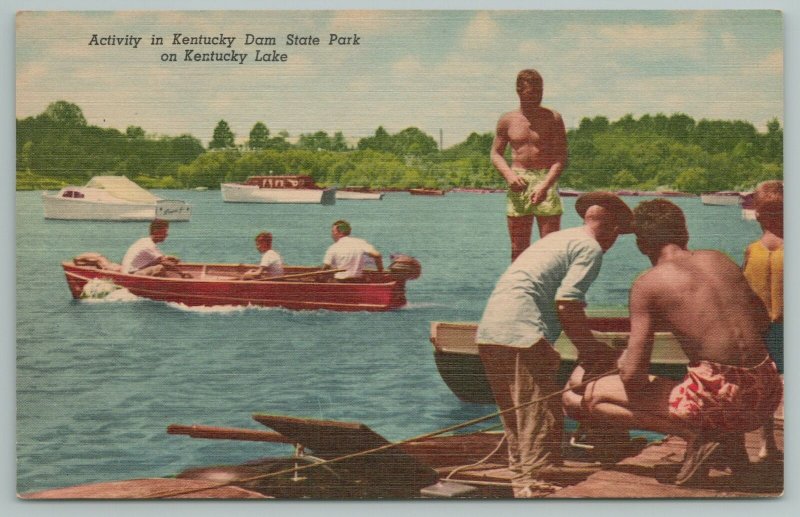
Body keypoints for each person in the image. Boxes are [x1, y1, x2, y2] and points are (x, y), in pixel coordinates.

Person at [562, 199, 783, 486]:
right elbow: (762, 320)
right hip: (765, 392)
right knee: (711, 378)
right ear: (685, 234)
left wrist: (623, 358)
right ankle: (727, 443)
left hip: (722, 400)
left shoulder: (648, 284)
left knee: (576, 395)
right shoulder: (720, 260)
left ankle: (698, 436)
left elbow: (633, 377)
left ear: (642, 245)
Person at [476, 192, 632, 497]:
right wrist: (590, 350)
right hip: (523, 332)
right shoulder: (590, 248)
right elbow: (567, 303)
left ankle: (521, 479)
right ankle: (534, 486)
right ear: (613, 229)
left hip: (491, 330)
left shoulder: (560, 239)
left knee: (517, 416)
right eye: (618, 235)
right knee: (540, 414)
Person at [491, 68, 568, 261]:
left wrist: (545, 185)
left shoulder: (553, 118)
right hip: (519, 181)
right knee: (518, 248)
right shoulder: (507, 120)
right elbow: (495, 153)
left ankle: (550, 289)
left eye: (539, 92)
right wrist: (509, 176)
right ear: (519, 91)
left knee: (551, 248)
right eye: (531, 93)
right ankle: (519, 289)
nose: (536, 97)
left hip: (546, 181)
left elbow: (561, 157)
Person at [742, 180, 783, 463]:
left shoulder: (752, 250)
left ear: (757, 213)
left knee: (765, 387)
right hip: (779, 328)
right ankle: (768, 444)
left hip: (759, 329)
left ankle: (766, 443)